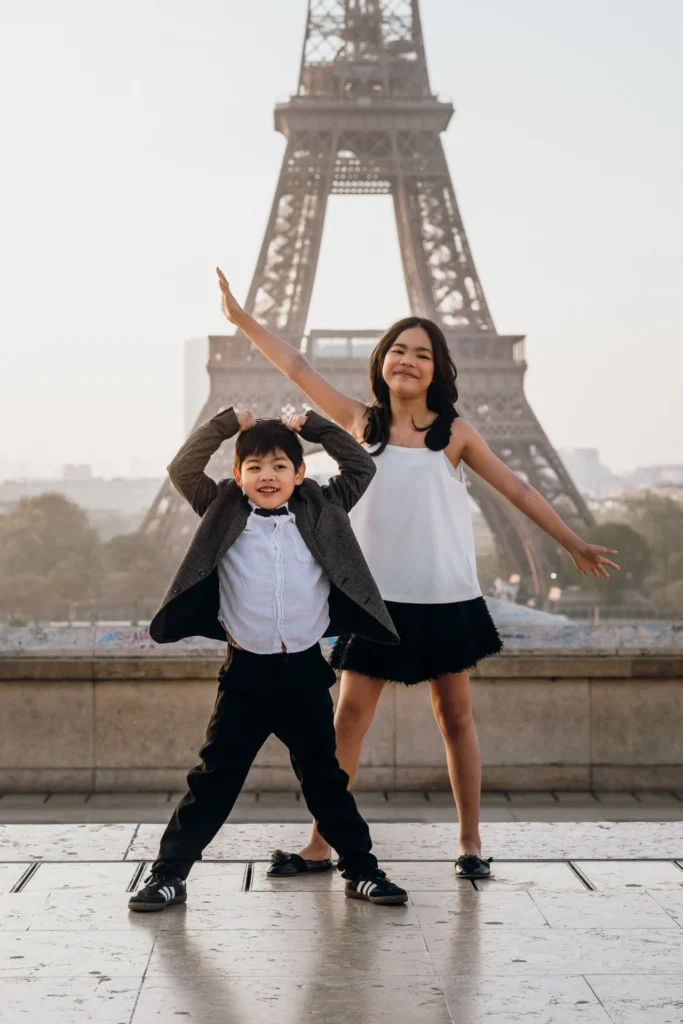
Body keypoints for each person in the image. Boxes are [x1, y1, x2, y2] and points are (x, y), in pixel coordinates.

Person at [215, 266, 620, 879]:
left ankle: (469, 843)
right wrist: (242, 320)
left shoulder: (455, 433)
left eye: (422, 353)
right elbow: (297, 367)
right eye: (398, 350)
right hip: (374, 600)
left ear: (439, 370)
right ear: (382, 362)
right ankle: (323, 844)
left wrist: (572, 543)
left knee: (455, 717)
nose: (408, 360)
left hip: (445, 595)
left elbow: (515, 486)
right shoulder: (358, 424)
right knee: (346, 720)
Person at [128, 408, 408, 911]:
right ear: (237, 476)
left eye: (280, 466)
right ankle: (168, 875)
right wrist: (226, 424)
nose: (267, 476)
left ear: (301, 473)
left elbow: (360, 467)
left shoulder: (324, 506)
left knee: (326, 783)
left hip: (303, 673)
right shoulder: (221, 509)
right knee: (213, 783)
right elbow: (183, 469)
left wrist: (315, 426)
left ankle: (362, 871)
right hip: (246, 677)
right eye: (253, 466)